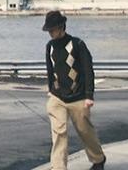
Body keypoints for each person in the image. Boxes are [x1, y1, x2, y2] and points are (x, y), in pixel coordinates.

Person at [43, 10, 106, 170]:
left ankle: (98, 159)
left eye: (52, 29)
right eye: (48, 30)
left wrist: (89, 95)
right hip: (57, 98)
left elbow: (88, 70)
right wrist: (51, 88)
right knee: (59, 133)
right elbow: (51, 70)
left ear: (61, 27)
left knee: (85, 131)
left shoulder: (77, 44)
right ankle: (58, 167)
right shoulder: (49, 47)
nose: (50, 33)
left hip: (78, 97)